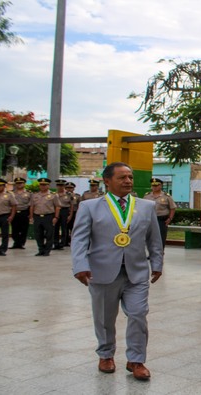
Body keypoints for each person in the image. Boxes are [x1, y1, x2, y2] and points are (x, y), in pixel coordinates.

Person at [71, 162, 163, 381]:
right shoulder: (90, 207)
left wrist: (157, 263)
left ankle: (136, 360)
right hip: (102, 272)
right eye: (122, 177)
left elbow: (154, 239)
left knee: (138, 314)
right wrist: (80, 265)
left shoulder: (146, 206)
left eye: (130, 177)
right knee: (104, 318)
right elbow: (79, 239)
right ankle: (105, 354)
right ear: (107, 181)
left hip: (137, 272)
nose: (128, 181)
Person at [29, 178, 60, 256]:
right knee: (38, 234)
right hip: (37, 216)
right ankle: (41, 249)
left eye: (44, 185)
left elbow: (57, 207)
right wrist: (31, 217)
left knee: (49, 234)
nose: (42, 186)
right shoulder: (35, 195)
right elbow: (32, 206)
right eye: (41, 185)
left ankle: (47, 250)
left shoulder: (53, 195)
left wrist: (56, 217)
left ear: (48, 185)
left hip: (48, 216)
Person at [143, 178, 176, 250]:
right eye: (153, 186)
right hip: (150, 219)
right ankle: (152, 252)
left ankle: (160, 253)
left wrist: (170, 218)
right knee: (150, 237)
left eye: (156, 185)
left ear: (161, 186)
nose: (154, 187)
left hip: (161, 220)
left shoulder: (167, 196)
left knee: (161, 237)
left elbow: (172, 208)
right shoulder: (147, 196)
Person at [0, 178, 17, 256]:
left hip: (4, 216)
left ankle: (3, 249)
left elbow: (14, 206)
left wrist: (11, 216)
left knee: (5, 234)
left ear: (4, 186)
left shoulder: (9, 195)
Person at [9, 177, 31, 249]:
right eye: (17, 183)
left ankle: (21, 243)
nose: (19, 185)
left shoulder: (28, 193)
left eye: (21, 183)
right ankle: (16, 243)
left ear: (24, 184)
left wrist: (30, 214)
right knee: (14, 229)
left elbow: (31, 204)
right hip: (14, 213)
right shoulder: (11, 193)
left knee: (24, 229)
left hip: (24, 212)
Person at [53, 179, 74, 250]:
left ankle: (62, 243)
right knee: (55, 228)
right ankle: (55, 243)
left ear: (64, 186)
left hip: (65, 211)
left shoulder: (69, 194)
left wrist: (70, 215)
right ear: (56, 186)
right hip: (56, 211)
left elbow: (71, 205)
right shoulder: (53, 194)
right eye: (59, 185)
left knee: (64, 228)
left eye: (61, 185)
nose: (60, 187)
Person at [65, 182, 80, 246]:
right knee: (65, 228)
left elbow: (80, 205)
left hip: (74, 213)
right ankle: (65, 241)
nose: (69, 189)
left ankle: (73, 241)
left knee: (73, 228)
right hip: (65, 212)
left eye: (71, 188)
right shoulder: (63, 195)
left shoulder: (77, 196)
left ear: (74, 189)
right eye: (68, 188)